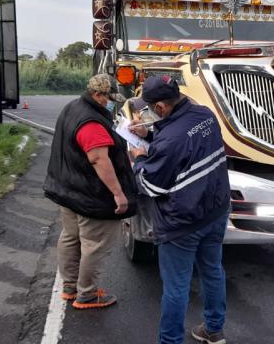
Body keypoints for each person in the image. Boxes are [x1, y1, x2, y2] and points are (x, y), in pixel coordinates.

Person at [129, 75, 231, 344]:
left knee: (176, 287)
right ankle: (213, 329)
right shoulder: (205, 115)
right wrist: (149, 133)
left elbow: (150, 186)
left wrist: (139, 159)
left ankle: (170, 340)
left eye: (149, 108)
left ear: (161, 107)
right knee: (212, 271)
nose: (147, 112)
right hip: (216, 210)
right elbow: (187, 142)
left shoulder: (170, 140)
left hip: (182, 223)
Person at [43, 74, 137, 310]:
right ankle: (87, 294)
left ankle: (70, 287)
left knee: (70, 237)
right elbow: (98, 159)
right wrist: (118, 193)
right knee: (94, 244)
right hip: (90, 196)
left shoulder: (72, 107)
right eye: (108, 98)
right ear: (97, 95)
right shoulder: (91, 122)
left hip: (68, 191)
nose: (110, 103)